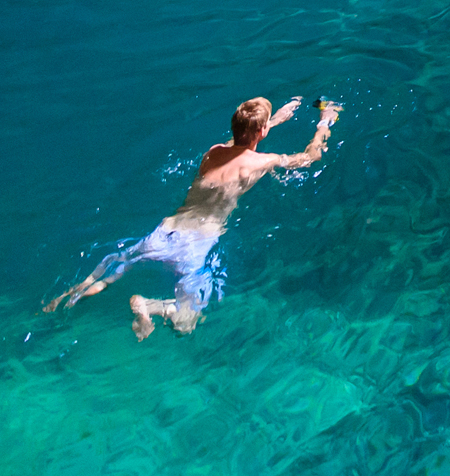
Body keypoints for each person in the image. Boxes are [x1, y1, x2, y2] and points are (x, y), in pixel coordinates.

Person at [48, 93, 340, 339]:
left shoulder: (211, 153)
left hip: (165, 231)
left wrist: (274, 120)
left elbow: (238, 142)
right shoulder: (263, 162)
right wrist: (325, 121)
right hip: (197, 243)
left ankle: (68, 296)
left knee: (116, 264)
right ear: (262, 133)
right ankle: (149, 306)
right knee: (186, 324)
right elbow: (310, 157)